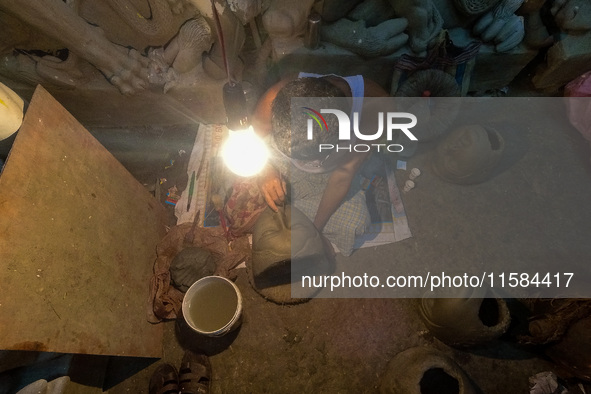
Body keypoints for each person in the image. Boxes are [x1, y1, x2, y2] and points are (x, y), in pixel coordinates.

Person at [251, 73, 390, 256]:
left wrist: (314, 231)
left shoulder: (376, 108)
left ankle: (300, 209)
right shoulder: (278, 95)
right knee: (241, 163)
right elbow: (256, 133)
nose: (303, 163)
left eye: (311, 158)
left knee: (355, 224)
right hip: (284, 157)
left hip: (335, 172)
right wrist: (266, 171)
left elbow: (343, 174)